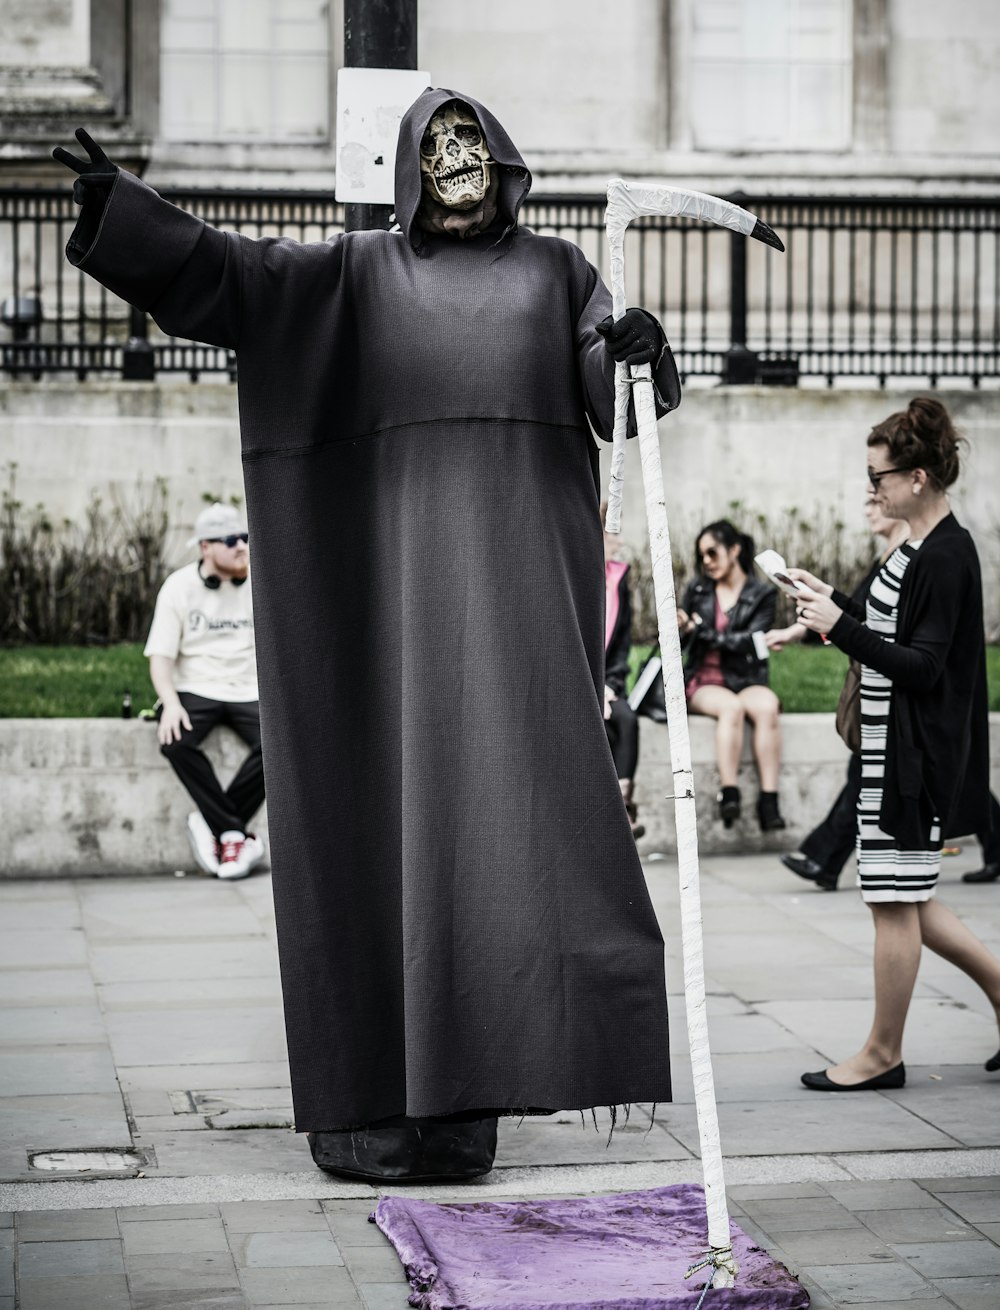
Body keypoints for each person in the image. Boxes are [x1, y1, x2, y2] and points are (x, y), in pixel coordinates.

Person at [54, 91, 680, 1180]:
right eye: (436, 147)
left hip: (517, 593)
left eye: (472, 143)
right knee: (374, 821)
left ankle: (473, 1096)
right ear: (408, 171)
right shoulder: (356, 273)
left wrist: (636, 349)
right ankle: (373, 1102)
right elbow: (239, 277)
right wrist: (126, 210)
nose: (457, 161)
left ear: (506, 161)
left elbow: (617, 393)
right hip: (378, 597)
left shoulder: (555, 273)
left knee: (508, 830)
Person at [792, 397, 999, 1090]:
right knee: (906, 899)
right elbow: (889, 629)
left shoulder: (944, 557)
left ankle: (882, 1054)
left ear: (917, 478)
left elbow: (924, 667)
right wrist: (831, 606)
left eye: (879, 476)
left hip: (911, 761)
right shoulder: (916, 546)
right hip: (888, 754)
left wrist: (839, 627)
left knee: (894, 902)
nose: (871, 488)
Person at [768, 495, 909, 890]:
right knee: (866, 769)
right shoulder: (890, 556)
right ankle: (824, 859)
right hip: (883, 682)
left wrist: (826, 613)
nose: (867, 508)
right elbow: (859, 613)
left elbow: (865, 623)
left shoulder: (913, 557)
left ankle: (824, 858)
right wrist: (812, 610)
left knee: (867, 770)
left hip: (896, 685)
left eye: (875, 499)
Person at [145, 502, 265, 881]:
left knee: (285, 749)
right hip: (197, 686)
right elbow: (161, 655)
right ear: (205, 547)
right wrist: (170, 703)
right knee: (174, 741)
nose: (242, 547)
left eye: (245, 538)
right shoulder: (179, 587)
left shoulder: (262, 582)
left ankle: (218, 827)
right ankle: (233, 832)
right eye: (231, 541)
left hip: (250, 688)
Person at [678, 520, 785, 831]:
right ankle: (730, 794)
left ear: (735, 549)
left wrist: (702, 631)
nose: (707, 562)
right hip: (705, 679)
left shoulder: (762, 593)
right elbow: (685, 644)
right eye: (703, 556)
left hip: (745, 677)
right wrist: (684, 627)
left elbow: (752, 642)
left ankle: (769, 800)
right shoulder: (698, 589)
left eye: (713, 553)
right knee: (731, 709)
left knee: (767, 707)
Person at [601, 502, 644, 840]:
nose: (618, 540)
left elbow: (622, 642)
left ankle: (625, 806)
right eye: (612, 532)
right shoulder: (573, 574)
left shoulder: (617, 578)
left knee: (626, 720)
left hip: (607, 683)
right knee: (610, 730)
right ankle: (617, 812)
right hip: (581, 681)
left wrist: (611, 684)